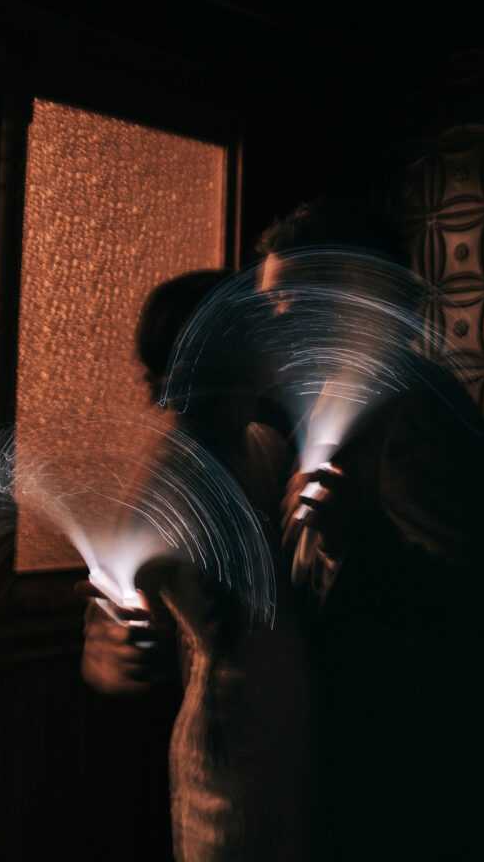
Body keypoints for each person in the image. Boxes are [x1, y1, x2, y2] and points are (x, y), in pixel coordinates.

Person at [259, 196, 484, 860]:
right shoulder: (325, 402)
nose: (272, 324)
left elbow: (467, 610)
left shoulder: (414, 405)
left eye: (292, 301)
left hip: (415, 777)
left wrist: (351, 539)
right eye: (269, 304)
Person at [78, 270, 318, 862]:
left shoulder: (264, 444)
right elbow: (109, 626)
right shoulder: (173, 480)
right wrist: (112, 648)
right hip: (232, 750)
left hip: (298, 733)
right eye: (251, 323)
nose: (274, 333)